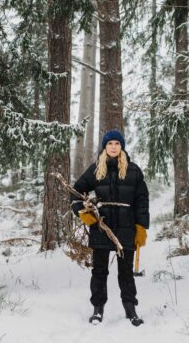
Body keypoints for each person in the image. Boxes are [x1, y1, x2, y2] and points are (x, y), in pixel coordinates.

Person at [71, 130, 149, 326]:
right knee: (99, 271)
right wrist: (82, 211)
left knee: (126, 272)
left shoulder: (133, 170)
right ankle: (98, 309)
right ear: (104, 147)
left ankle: (130, 309)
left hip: (127, 227)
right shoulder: (96, 169)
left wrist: (141, 227)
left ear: (121, 146)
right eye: (110, 143)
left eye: (117, 143)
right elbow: (76, 191)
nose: (113, 146)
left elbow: (142, 200)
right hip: (102, 226)